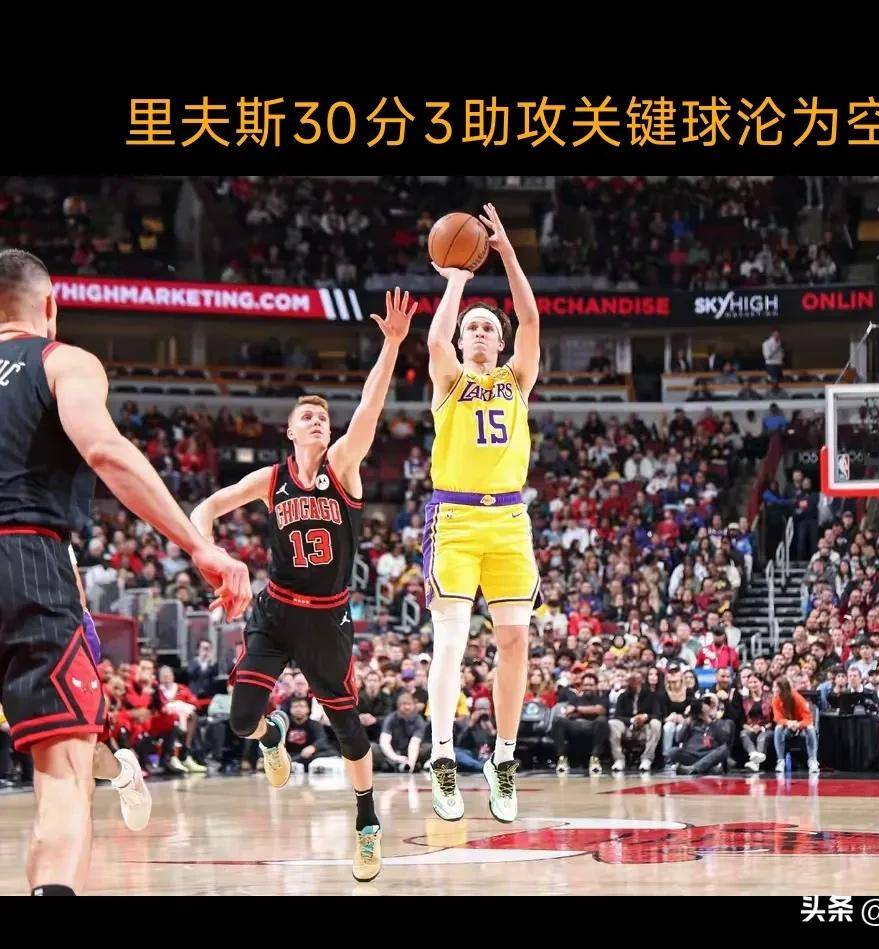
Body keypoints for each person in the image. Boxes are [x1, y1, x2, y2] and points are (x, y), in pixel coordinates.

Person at [0, 249, 250, 896]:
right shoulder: (62, 361)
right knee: (62, 773)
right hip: (26, 557)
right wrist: (199, 546)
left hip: (35, 561)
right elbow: (106, 451)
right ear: (50, 306)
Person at [190, 287, 416, 883]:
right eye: (307, 417)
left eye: (323, 417)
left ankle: (367, 822)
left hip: (327, 619)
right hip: (275, 612)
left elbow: (370, 406)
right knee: (240, 719)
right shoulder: (271, 480)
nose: (318, 421)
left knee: (349, 732)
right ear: (290, 431)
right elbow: (206, 508)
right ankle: (274, 735)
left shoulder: (343, 466)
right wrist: (212, 555)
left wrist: (392, 345)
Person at [424, 204, 542, 824]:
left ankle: (503, 758)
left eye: (486, 329)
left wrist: (507, 254)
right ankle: (443, 755)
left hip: (510, 523)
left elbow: (531, 317)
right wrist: (457, 280)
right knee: (451, 639)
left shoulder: (517, 380)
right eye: (471, 327)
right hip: (456, 519)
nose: (477, 333)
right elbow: (434, 340)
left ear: (499, 342)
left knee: (515, 641)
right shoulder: (449, 380)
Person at [552, 670, 609, 775]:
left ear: (596, 686)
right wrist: (590, 711)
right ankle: (562, 759)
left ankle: (595, 759)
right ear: (582, 686)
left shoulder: (602, 699)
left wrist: (577, 710)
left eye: (591, 685)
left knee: (602, 721)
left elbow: (600, 711)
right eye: (586, 685)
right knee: (558, 720)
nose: (588, 687)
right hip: (576, 726)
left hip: (593, 727)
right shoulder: (575, 699)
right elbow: (568, 713)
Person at [608, 671, 661, 773]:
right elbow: (617, 716)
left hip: (645, 728)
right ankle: (619, 759)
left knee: (656, 723)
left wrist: (645, 717)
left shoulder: (651, 696)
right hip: (627, 727)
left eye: (635, 681)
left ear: (641, 681)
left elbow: (657, 714)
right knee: (613, 723)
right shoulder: (622, 696)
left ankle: (646, 759)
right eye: (630, 681)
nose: (632, 684)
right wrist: (632, 720)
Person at [669, 699, 731, 775]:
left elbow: (722, 740)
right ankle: (704, 767)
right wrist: (687, 722)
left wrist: (709, 722)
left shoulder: (716, 722)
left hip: (707, 754)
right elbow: (678, 739)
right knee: (672, 751)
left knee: (724, 749)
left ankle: (693, 768)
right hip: (692, 754)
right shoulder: (690, 723)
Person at [772, 678, 819, 773]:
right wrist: (788, 723)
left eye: (777, 687)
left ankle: (813, 760)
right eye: (774, 687)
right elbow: (778, 718)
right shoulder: (775, 699)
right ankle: (780, 761)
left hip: (801, 726)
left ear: (784, 690)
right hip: (788, 727)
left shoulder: (797, 698)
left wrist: (798, 724)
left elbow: (808, 719)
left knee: (810, 727)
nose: (774, 690)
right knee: (778, 728)